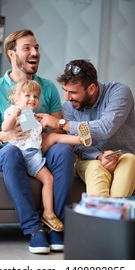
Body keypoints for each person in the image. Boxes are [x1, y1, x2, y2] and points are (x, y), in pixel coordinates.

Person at [0, 29, 75, 255]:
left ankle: (55, 225)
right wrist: (6, 137)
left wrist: (55, 123)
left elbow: (59, 126)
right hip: (7, 156)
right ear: (11, 54)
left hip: (37, 151)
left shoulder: (48, 88)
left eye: (37, 48)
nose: (35, 53)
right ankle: (34, 230)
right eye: (27, 48)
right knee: (12, 152)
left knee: (63, 150)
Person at [2, 79, 92, 232]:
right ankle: (46, 215)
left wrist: (40, 125)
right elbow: (5, 128)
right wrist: (13, 116)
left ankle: (81, 139)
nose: (32, 99)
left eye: (36, 96)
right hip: (20, 155)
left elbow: (33, 135)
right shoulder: (13, 111)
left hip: (33, 153)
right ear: (16, 99)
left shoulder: (30, 115)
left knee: (53, 143)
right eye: (27, 95)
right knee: (48, 169)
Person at [37, 59, 135, 197]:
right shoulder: (69, 108)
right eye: (65, 91)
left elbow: (105, 128)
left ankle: (109, 213)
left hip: (124, 156)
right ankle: (110, 215)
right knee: (95, 168)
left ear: (91, 89)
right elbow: (76, 145)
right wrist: (99, 156)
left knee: (130, 160)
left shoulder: (118, 92)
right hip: (90, 160)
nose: (67, 98)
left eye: (73, 92)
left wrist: (60, 123)